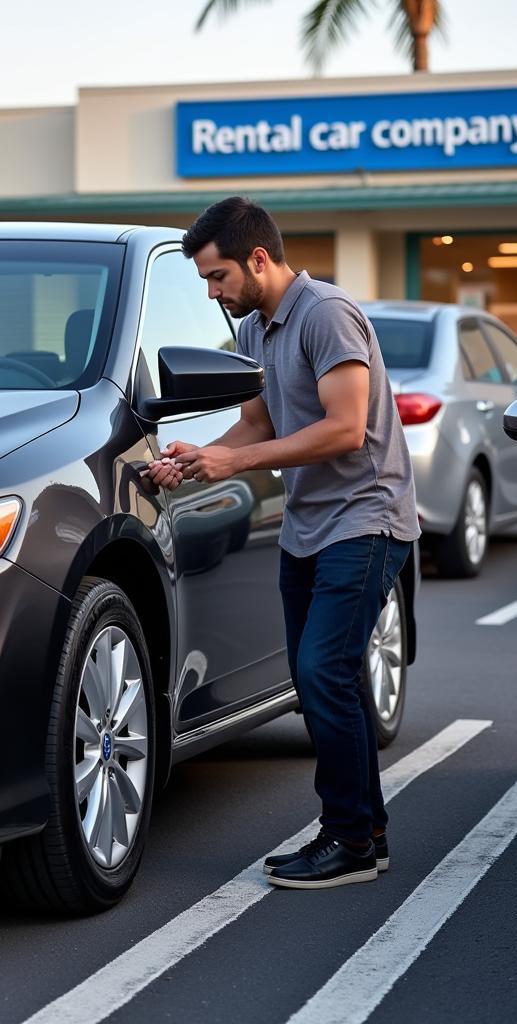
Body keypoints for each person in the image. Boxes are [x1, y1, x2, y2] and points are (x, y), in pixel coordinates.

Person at [147, 197, 420, 890]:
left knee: (326, 673)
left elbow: (345, 429)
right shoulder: (255, 331)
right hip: (309, 527)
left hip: (366, 517)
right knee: (317, 676)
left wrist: (238, 463)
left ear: (259, 260)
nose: (213, 293)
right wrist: (197, 457)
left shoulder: (325, 314)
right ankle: (367, 831)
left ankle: (348, 840)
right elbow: (255, 424)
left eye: (218, 277)